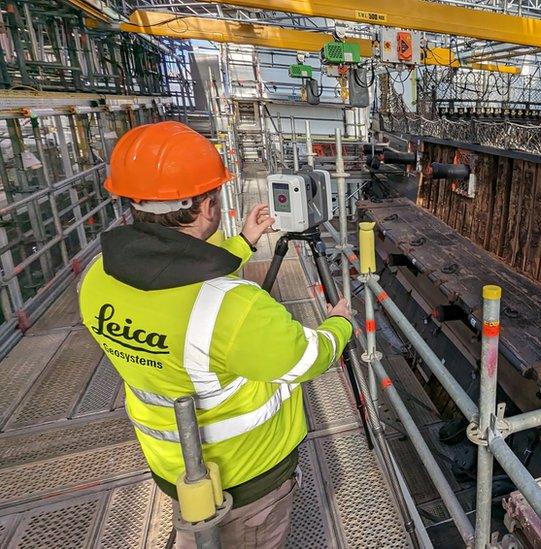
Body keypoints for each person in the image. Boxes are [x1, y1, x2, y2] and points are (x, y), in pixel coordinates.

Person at [78, 121, 352, 548]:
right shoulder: (233, 307)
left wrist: (243, 241)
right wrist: (341, 324)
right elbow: (306, 357)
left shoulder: (98, 279)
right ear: (208, 208)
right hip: (247, 478)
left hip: (174, 466)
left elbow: (174, 272)